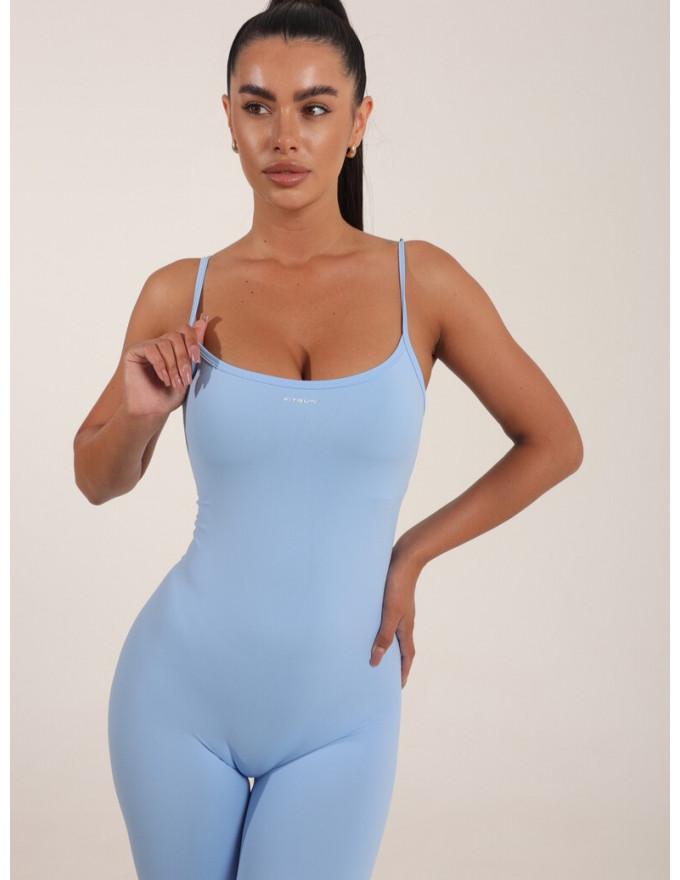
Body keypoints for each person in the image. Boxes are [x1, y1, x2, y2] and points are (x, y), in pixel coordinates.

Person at [73, 0, 583, 877]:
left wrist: (409, 556)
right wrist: (142, 412)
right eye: (257, 106)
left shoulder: (422, 282)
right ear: (228, 119)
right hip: (176, 698)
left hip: (343, 715)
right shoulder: (178, 292)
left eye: (314, 107)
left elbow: (553, 441)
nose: (284, 136)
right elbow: (96, 479)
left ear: (358, 121)